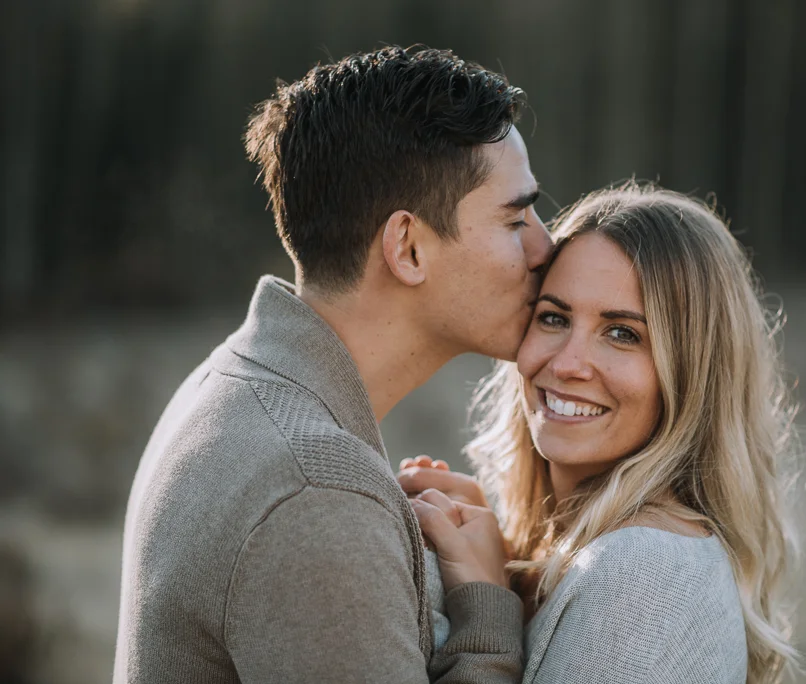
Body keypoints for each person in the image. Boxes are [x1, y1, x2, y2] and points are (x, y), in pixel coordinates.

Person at [113, 46, 553, 683]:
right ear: (407, 248)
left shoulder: (237, 382)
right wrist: (486, 611)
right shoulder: (315, 491)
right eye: (516, 219)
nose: (546, 245)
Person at [399, 183, 803, 684]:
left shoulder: (645, 572)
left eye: (622, 333)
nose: (567, 364)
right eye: (553, 317)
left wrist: (485, 611)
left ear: (696, 375)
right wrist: (500, 568)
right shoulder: (589, 557)